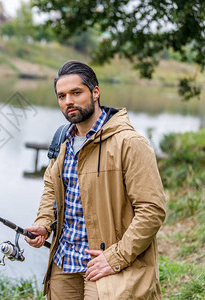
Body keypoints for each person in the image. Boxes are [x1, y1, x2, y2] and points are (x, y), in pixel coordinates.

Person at [25, 60, 166, 300]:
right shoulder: (62, 141)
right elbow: (52, 189)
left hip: (107, 263)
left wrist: (116, 257)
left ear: (96, 92)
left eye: (76, 93)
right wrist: (44, 223)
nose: (68, 101)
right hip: (64, 261)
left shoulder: (129, 143)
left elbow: (152, 210)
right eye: (61, 96)